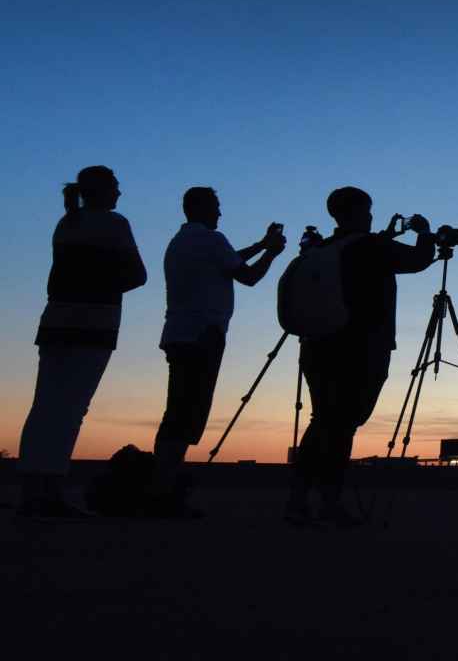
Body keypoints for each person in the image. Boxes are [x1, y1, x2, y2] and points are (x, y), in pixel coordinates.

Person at [287, 187, 435, 526]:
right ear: (357, 212)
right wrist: (424, 233)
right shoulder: (371, 247)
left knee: (323, 420)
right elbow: (417, 260)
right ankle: (330, 503)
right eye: (367, 210)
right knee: (342, 425)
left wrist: (386, 238)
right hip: (361, 347)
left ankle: (298, 500)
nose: (370, 216)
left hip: (317, 345)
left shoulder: (325, 247)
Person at [145, 187, 288, 516]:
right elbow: (248, 276)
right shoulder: (211, 239)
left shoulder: (184, 241)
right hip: (202, 336)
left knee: (178, 409)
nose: (220, 213)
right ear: (202, 208)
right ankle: (163, 492)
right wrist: (272, 253)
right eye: (216, 207)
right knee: (185, 414)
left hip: (181, 333)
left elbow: (227, 262)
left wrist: (261, 245)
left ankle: (162, 487)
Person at [15, 166, 148, 519]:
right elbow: (137, 275)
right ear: (104, 191)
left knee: (45, 405)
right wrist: (102, 285)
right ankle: (50, 493)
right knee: (71, 409)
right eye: (116, 187)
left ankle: (33, 490)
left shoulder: (67, 223)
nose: (120, 194)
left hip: (56, 321)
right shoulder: (114, 224)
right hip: (94, 324)